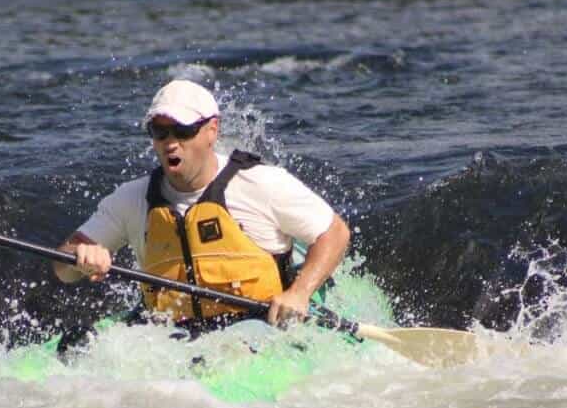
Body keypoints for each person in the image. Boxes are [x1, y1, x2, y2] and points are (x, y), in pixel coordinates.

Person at [54, 79, 350, 337]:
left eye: (183, 130)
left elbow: (334, 233)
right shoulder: (131, 199)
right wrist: (78, 256)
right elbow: (62, 269)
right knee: (74, 345)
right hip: (171, 335)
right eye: (160, 131)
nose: (171, 142)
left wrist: (299, 293)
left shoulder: (260, 184)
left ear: (212, 130)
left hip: (257, 329)